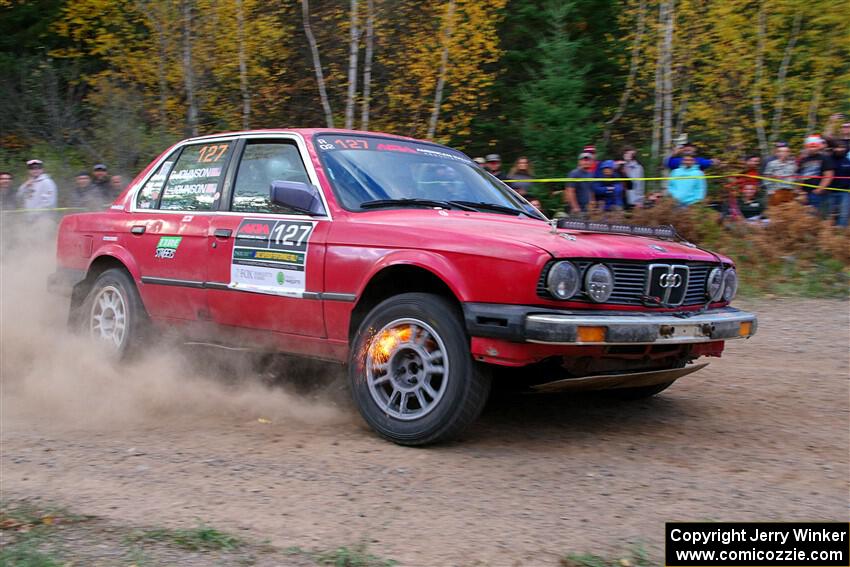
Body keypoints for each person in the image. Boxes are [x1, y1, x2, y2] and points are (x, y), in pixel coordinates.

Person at [797, 135, 835, 216]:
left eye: (814, 146)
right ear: (806, 147)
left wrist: (819, 189)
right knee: (804, 217)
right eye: (810, 146)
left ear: (818, 146)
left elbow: (829, 175)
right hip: (805, 194)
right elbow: (800, 176)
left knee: (818, 217)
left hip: (818, 194)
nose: (812, 148)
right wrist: (800, 191)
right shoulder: (803, 160)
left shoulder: (825, 158)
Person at [828, 145, 849, 227]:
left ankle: (841, 232)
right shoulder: (829, 159)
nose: (840, 149)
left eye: (842, 147)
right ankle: (829, 231)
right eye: (837, 147)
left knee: (844, 213)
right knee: (830, 213)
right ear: (834, 148)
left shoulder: (847, 160)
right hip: (831, 191)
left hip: (845, 191)